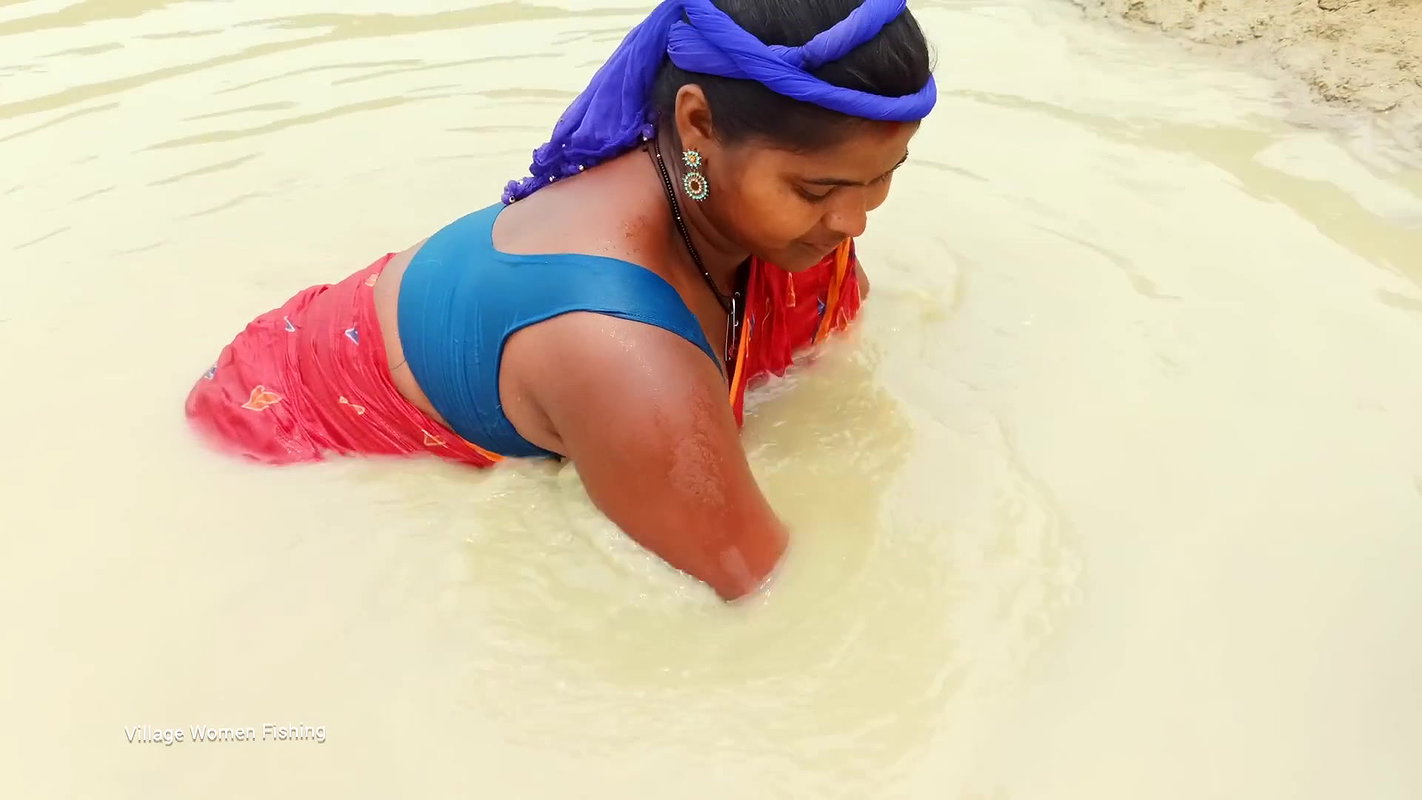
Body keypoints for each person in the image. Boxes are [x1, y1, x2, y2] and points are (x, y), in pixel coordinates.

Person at [184, 0, 937, 602]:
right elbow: (761, 590)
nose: (855, 221)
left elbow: (833, 366)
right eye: (819, 189)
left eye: (885, 175)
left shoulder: (765, 221)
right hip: (281, 436)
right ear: (698, 124)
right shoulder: (622, 350)